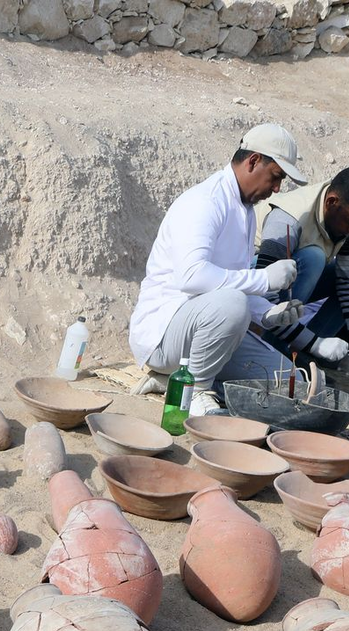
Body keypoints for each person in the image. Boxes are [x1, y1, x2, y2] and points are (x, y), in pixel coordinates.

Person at [129, 124, 306, 416]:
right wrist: (264, 279)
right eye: (276, 177)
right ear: (253, 161)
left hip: (206, 332)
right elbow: (192, 277)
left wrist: (266, 313)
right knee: (232, 304)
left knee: (290, 382)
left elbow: (229, 282)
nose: (276, 188)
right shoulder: (205, 201)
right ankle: (195, 391)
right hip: (163, 337)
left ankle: (174, 381)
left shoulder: (244, 209)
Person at [224, 166, 349, 384]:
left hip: (294, 283)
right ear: (331, 202)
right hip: (254, 286)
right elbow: (265, 298)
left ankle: (304, 354)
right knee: (313, 257)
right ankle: (278, 351)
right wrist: (315, 343)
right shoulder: (287, 219)